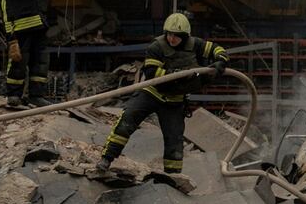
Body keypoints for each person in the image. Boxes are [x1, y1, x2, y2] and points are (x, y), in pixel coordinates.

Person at [97, 13, 228, 174]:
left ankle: (172, 179)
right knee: (127, 120)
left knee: (174, 140)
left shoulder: (195, 45)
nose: (171, 39)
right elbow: (151, 72)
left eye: (176, 36)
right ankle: (106, 159)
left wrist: (220, 61)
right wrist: (176, 75)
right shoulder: (157, 47)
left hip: (174, 101)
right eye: (169, 34)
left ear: (185, 36)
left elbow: (217, 49)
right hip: (151, 93)